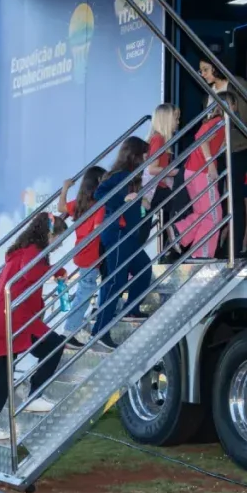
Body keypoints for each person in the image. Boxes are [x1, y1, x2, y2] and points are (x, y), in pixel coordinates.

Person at [0, 212, 68, 441]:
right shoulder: (32, 253)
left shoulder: (22, 251)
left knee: (5, 372)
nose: (61, 243)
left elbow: (31, 272)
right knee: (50, 347)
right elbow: (31, 271)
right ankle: (28, 398)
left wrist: (55, 270)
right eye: (59, 237)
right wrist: (56, 271)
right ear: (48, 234)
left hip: (8, 317)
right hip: (11, 320)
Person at [92, 137, 153, 350]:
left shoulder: (131, 177)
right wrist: (122, 201)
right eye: (144, 154)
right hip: (118, 233)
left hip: (127, 235)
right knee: (116, 281)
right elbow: (99, 193)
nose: (147, 158)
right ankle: (100, 330)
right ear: (135, 156)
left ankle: (131, 309)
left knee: (144, 269)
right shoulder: (121, 176)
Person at [199, 58, 247, 256]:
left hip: (238, 148)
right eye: (201, 71)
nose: (203, 74)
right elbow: (207, 122)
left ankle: (236, 247)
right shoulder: (210, 91)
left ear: (216, 67)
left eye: (206, 69)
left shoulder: (237, 83)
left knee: (236, 197)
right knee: (219, 200)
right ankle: (220, 248)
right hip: (217, 152)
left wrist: (224, 130)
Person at [171, 92, 232, 259]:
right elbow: (202, 140)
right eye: (234, 105)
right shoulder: (218, 122)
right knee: (213, 215)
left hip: (193, 171)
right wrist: (210, 163)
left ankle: (180, 230)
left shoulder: (218, 123)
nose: (235, 109)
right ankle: (201, 254)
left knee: (202, 212)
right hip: (202, 172)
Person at [57, 167, 107, 348]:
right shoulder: (99, 205)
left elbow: (61, 207)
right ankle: (70, 331)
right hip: (91, 253)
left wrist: (65, 188)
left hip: (82, 251)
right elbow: (98, 230)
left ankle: (78, 325)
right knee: (85, 292)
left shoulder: (80, 203)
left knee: (86, 290)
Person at [145, 104, 181, 254]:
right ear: (166, 120)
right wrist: (172, 172)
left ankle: (172, 245)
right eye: (176, 118)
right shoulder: (158, 139)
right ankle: (173, 243)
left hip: (159, 188)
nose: (178, 122)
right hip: (155, 189)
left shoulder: (159, 139)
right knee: (179, 205)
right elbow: (152, 169)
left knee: (173, 209)